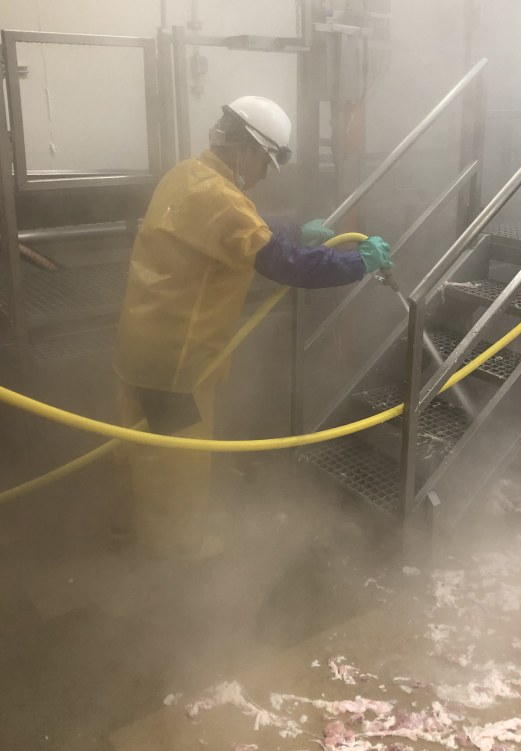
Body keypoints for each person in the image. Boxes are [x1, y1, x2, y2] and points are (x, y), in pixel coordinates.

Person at [112, 95, 392, 558]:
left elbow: (243, 226)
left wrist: (291, 227)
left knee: (131, 444)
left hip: (140, 343)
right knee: (179, 457)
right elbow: (286, 264)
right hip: (178, 360)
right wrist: (356, 262)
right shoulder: (221, 199)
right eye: (266, 163)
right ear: (248, 151)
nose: (263, 175)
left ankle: (124, 529)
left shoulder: (187, 175)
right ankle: (180, 546)